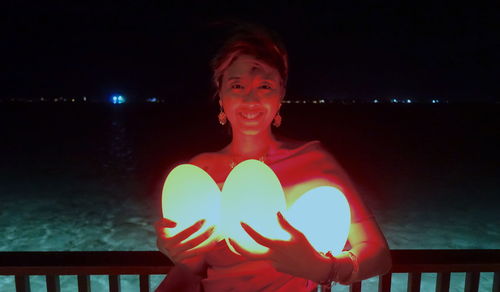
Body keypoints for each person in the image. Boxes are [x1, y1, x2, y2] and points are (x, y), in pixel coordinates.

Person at [154, 24, 391, 292]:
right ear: (220, 95)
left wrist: (327, 268)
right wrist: (176, 253)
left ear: (281, 94)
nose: (251, 99)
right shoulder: (200, 174)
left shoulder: (313, 160)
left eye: (265, 85)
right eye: (237, 85)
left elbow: (378, 254)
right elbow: (192, 270)